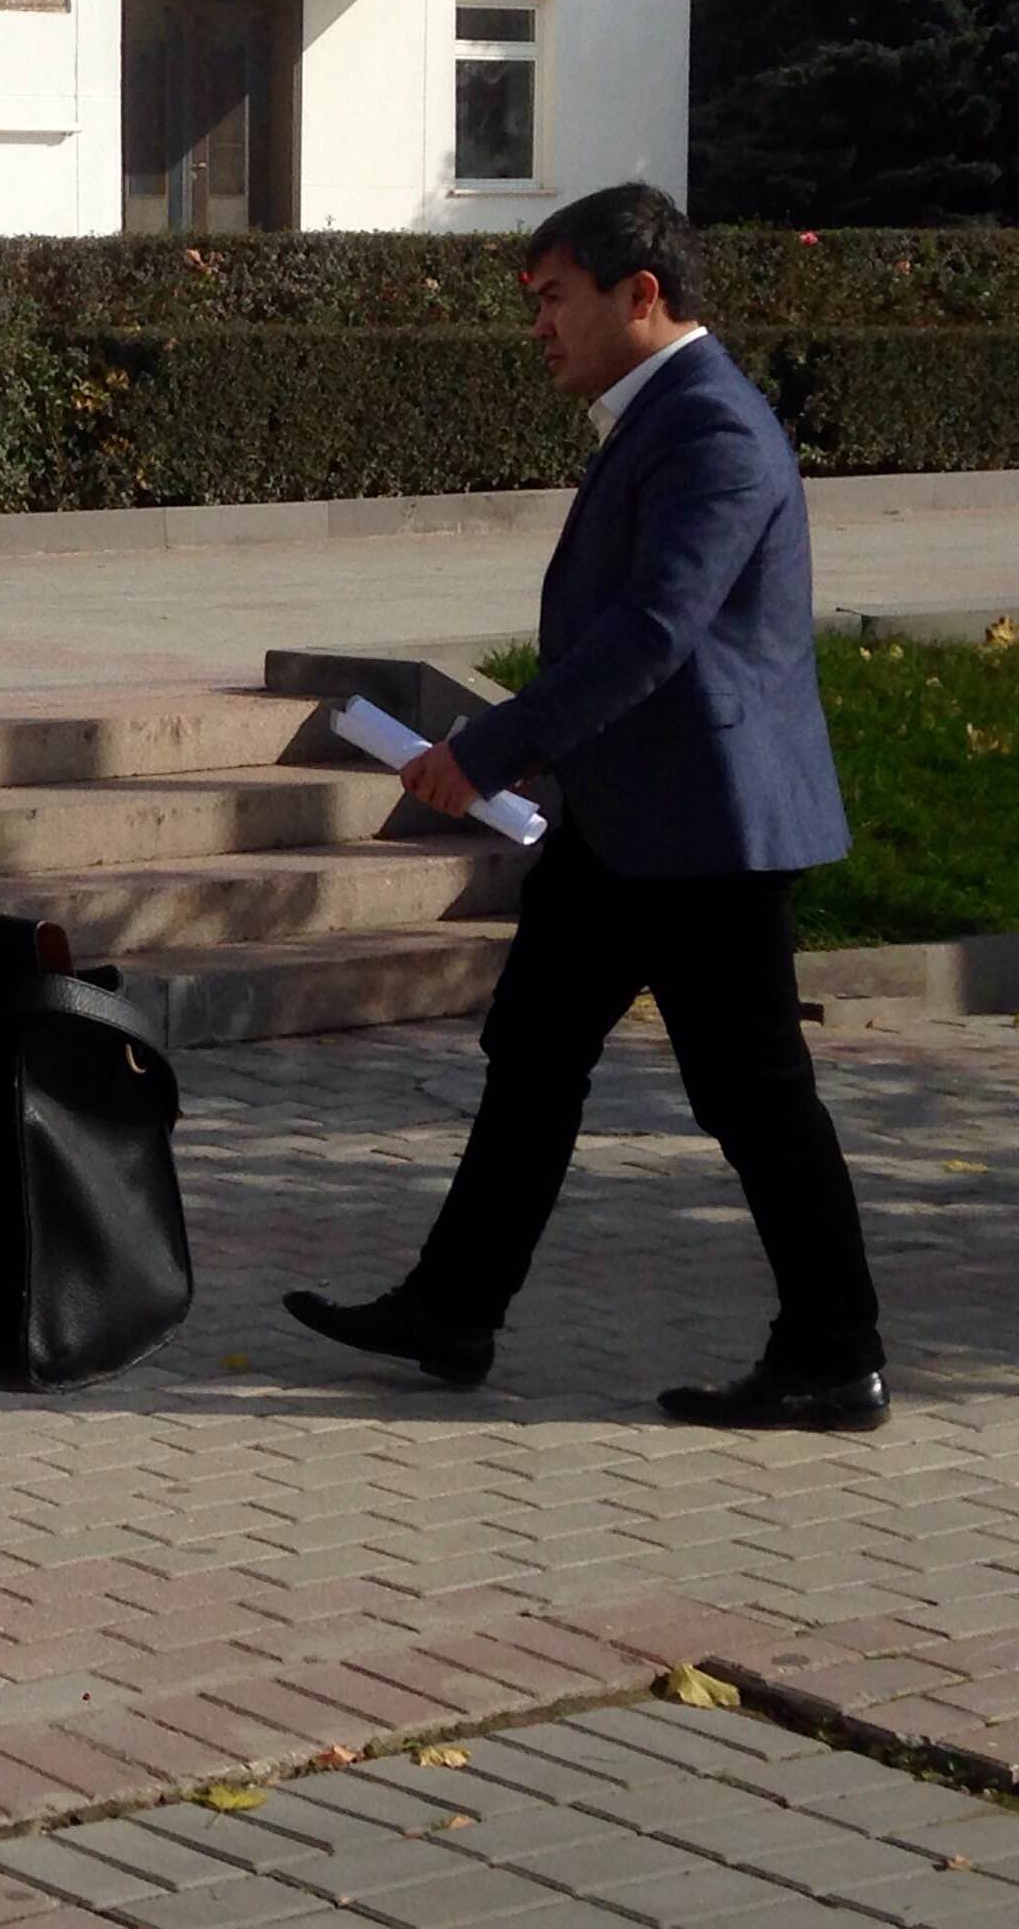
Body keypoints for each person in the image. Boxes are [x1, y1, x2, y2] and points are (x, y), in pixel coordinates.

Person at [286, 183, 887, 1432]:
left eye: (556, 298)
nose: (540, 326)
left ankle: (836, 1354)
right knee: (534, 1051)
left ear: (641, 293)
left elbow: (654, 631)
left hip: (708, 833)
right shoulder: (659, 417)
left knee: (753, 1095)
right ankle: (452, 1308)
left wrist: (491, 749)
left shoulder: (711, 428)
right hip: (631, 825)